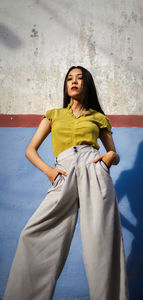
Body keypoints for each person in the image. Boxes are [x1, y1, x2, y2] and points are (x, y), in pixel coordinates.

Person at [3, 66, 129, 300]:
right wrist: (50, 172)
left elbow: (114, 152)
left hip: (94, 171)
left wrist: (110, 158)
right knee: (31, 234)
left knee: (102, 241)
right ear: (66, 85)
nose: (74, 82)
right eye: (70, 78)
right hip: (64, 171)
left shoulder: (98, 117)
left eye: (80, 78)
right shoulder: (53, 115)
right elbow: (30, 150)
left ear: (87, 85)